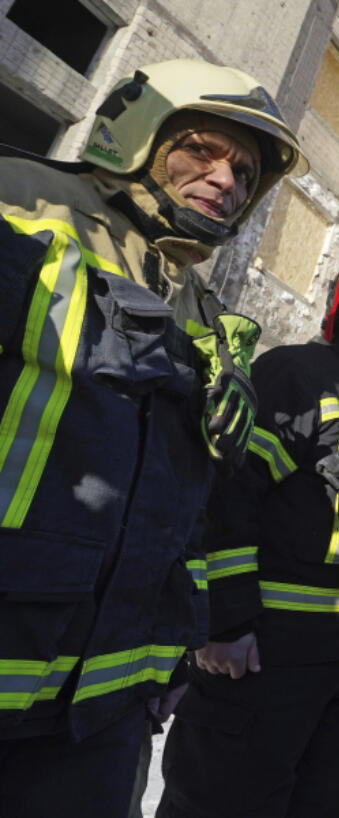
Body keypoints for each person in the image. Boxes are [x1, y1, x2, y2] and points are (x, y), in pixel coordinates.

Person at [0, 59, 304, 817]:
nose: (225, 179)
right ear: (138, 134)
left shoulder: (199, 306)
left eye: (243, 170)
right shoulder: (23, 202)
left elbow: (188, 503)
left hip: (105, 710)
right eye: (199, 149)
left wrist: (175, 645)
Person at [157, 256, 339, 817]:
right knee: (225, 802)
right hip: (267, 654)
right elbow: (230, 492)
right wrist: (226, 622)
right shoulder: (296, 374)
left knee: (320, 802)